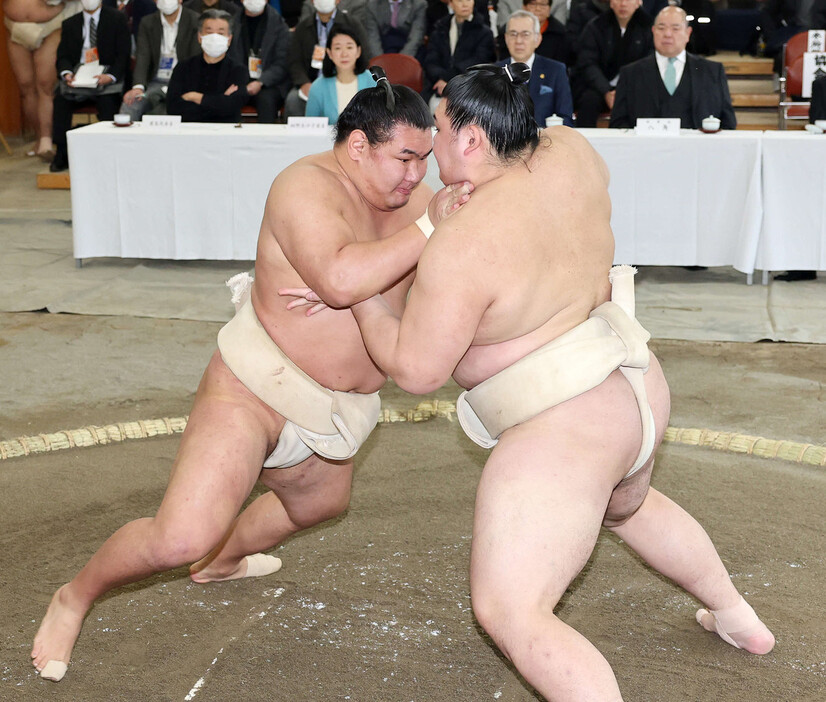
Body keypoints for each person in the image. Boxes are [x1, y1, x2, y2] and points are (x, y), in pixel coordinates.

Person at [282, 63, 776, 701]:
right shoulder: (574, 151)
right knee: (625, 505)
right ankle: (737, 617)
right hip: (635, 387)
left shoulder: (466, 243)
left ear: (471, 141)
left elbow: (416, 369)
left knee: (511, 611)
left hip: (564, 426)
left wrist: (363, 300)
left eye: (439, 133)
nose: (431, 153)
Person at [30, 75, 471, 683]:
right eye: (403, 158)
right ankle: (74, 596)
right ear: (358, 146)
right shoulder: (304, 187)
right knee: (181, 537)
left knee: (321, 503)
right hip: (258, 385)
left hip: (339, 406)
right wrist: (413, 242)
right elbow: (343, 280)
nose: (415, 176)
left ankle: (224, 562)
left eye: (424, 160)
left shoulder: (416, 201)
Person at [609, 6, 735, 129]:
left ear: (688, 33)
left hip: (697, 148)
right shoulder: (631, 73)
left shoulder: (712, 71)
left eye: (675, 28)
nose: (667, 34)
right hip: (646, 147)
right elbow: (618, 123)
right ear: (653, 31)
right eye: (661, 28)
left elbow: (728, 122)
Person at [50, 0, 131, 172]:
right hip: (78, 77)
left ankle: (106, 154)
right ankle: (62, 152)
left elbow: (123, 54)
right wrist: (66, 73)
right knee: (60, 101)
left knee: (108, 103)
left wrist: (110, 76)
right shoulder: (70, 23)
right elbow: (62, 56)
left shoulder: (117, 19)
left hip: (105, 77)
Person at [3, 0, 80, 159]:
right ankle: (39, 138)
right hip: (14, 25)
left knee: (45, 85)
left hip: (50, 25)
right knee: (25, 86)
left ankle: (47, 140)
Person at [572, 0, 652, 127]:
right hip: (600, 87)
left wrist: (624, 91)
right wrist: (606, 91)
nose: (623, 4)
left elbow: (649, 63)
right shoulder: (596, 25)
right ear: (611, 2)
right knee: (588, 100)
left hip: (635, 87)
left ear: (638, 3)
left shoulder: (649, 27)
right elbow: (587, 62)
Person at [284, 0, 371, 117]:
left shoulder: (352, 23)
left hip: (345, 75)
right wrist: (304, 83)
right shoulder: (303, 27)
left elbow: (365, 52)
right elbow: (295, 61)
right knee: (293, 100)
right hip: (311, 81)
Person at [119, 0, 200, 121]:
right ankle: (124, 139)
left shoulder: (195, 20)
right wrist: (138, 86)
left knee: (173, 109)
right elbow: (143, 56)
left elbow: (195, 58)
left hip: (183, 83)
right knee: (131, 104)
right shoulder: (147, 22)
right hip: (155, 82)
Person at [166, 9, 248, 122]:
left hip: (225, 132)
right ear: (199, 37)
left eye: (220, 33)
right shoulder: (183, 67)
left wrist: (195, 97)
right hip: (190, 131)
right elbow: (173, 107)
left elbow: (231, 107)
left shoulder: (238, 70)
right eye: (209, 33)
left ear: (229, 39)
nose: (214, 37)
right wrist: (220, 101)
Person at [498, 10, 573, 126]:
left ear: (538, 39)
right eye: (513, 34)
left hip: (545, 141)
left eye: (525, 34)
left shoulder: (555, 71)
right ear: (506, 38)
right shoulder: (493, 73)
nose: (518, 41)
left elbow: (565, 119)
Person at [227, 0, 292, 122]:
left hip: (269, 84)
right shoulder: (233, 22)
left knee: (266, 100)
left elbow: (282, 63)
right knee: (227, 97)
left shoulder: (279, 24)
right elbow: (229, 58)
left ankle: (266, 140)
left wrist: (261, 82)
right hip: (240, 81)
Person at [422, 0, 495, 108]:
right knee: (430, 109)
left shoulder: (484, 32)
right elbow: (431, 61)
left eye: (469, 0)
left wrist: (449, 81)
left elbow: (479, 61)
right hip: (439, 87)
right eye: (460, 0)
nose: (465, 4)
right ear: (451, 3)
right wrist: (441, 80)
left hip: (470, 88)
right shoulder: (439, 29)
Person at [306, 24, 376, 122]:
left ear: (358, 51)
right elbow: (309, 127)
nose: (344, 54)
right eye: (338, 48)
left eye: (349, 47)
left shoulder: (373, 81)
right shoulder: (318, 87)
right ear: (329, 53)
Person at [498, 0, 574, 67]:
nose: (538, 8)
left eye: (543, 4)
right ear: (524, 7)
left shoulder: (561, 34)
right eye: (533, 4)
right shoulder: (508, 31)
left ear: (549, 9)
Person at [362, 0, 427, 58]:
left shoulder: (419, 4)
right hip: (383, 48)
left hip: (409, 50)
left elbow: (416, 37)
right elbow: (372, 38)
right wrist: (381, 61)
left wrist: (401, 61)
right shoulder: (371, 5)